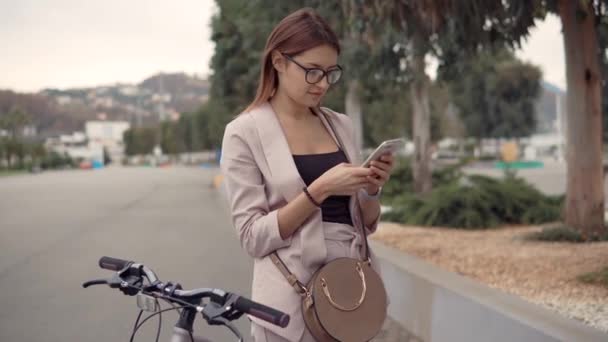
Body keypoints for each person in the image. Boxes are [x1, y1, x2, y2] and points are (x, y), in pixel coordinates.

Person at [220, 8, 395, 342]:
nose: (323, 84)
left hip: (351, 292)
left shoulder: (340, 125)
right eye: (312, 72)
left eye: (331, 73)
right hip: (289, 302)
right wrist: (319, 191)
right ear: (279, 62)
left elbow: (364, 223)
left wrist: (372, 189)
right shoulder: (244, 132)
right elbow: (252, 236)